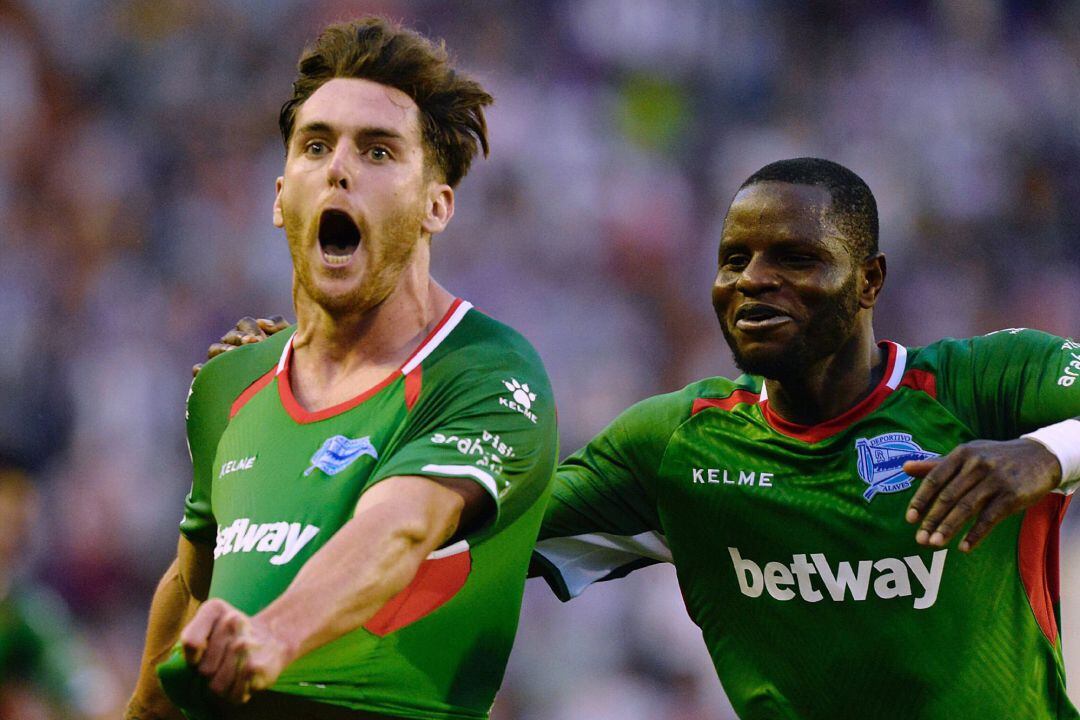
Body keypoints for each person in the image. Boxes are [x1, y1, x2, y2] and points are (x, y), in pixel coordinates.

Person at [205, 158, 1080, 718]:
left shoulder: (982, 386)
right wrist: (314, 397)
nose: (753, 282)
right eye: (734, 260)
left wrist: (1047, 455)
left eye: (795, 260)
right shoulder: (680, 447)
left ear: (870, 280)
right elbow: (449, 511)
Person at [126, 17, 557, 720]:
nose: (339, 167)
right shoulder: (229, 385)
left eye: (379, 151)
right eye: (316, 145)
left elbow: (401, 529)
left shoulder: (487, 371)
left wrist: (273, 637)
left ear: (434, 206)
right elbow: (194, 585)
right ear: (279, 196)